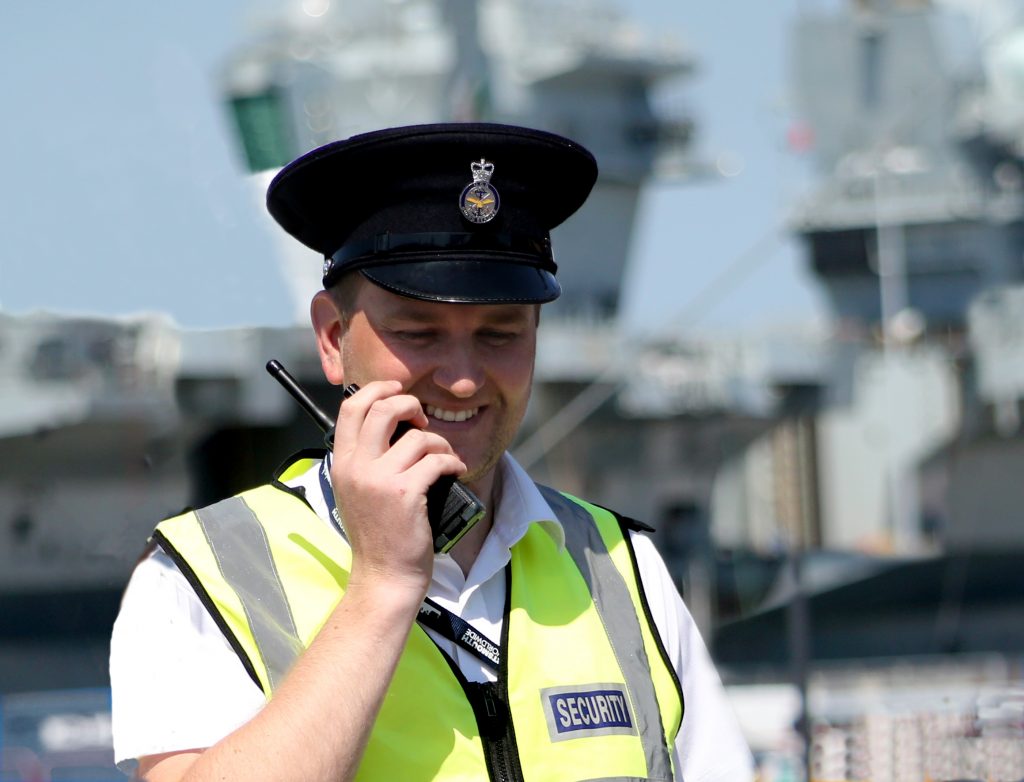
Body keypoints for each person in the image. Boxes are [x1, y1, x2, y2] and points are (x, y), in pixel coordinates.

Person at [110, 123, 753, 782]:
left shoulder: (626, 570)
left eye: (501, 334)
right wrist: (383, 587)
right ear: (333, 339)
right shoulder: (200, 575)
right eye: (418, 332)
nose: (464, 377)